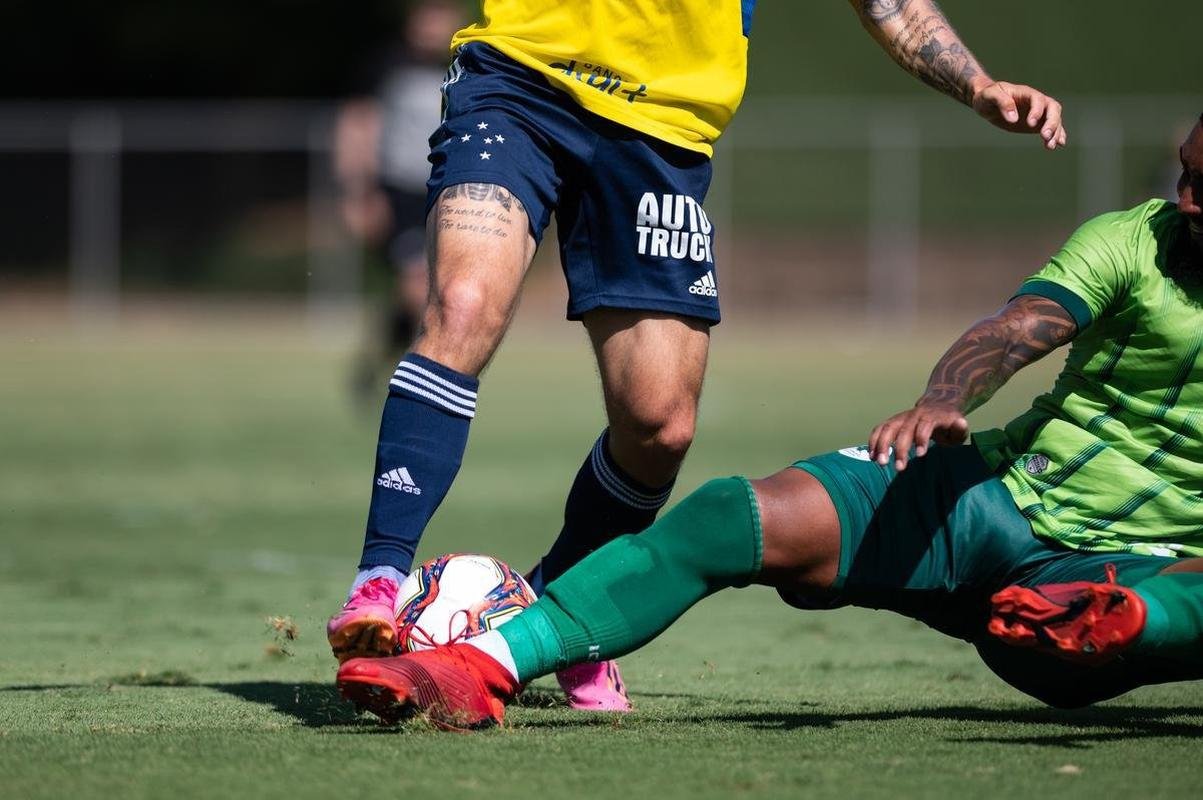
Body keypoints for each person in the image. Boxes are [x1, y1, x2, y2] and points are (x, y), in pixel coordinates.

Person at [334, 115, 1203, 729]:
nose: (1185, 197)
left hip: (1137, 569)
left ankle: (1127, 617)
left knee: (1166, 598)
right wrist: (945, 398)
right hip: (988, 503)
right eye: (1183, 172)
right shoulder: (1137, 237)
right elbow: (1016, 328)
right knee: (731, 513)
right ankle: (475, 666)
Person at [333, 0, 466, 401]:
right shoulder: (386, 65)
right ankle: (417, 379)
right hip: (397, 192)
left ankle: (376, 363)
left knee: (430, 294)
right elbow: (357, 124)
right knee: (417, 286)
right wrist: (357, 191)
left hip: (446, 191)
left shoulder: (467, 65)